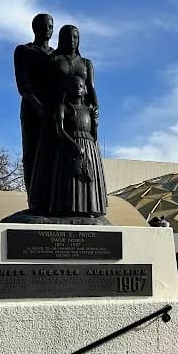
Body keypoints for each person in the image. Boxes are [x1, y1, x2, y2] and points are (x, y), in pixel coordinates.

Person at [28, 24, 107, 219]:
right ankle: (49, 203)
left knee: (85, 160)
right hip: (59, 112)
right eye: (67, 37)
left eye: (75, 37)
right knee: (52, 160)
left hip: (82, 116)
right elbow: (45, 88)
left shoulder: (86, 63)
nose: (71, 40)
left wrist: (95, 107)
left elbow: (91, 88)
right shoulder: (53, 60)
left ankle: (86, 204)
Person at [51, 75, 107, 216]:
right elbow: (60, 130)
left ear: (85, 90)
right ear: (68, 89)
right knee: (70, 180)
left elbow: (94, 137)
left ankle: (89, 209)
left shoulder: (88, 110)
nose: (78, 88)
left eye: (81, 86)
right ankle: (68, 209)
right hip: (69, 147)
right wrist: (74, 145)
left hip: (89, 147)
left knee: (88, 179)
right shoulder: (63, 108)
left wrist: (94, 122)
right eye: (75, 86)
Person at [13, 13, 54, 201]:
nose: (48, 29)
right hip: (32, 110)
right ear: (34, 28)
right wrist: (39, 107)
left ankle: (54, 201)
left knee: (54, 156)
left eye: (51, 26)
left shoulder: (57, 55)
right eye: (44, 25)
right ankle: (34, 200)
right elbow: (24, 87)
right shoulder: (23, 51)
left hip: (55, 112)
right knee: (32, 155)